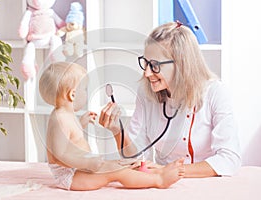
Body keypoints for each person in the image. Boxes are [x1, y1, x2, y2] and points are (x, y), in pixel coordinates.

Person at [99, 21, 241, 178]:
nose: (147, 73)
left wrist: (168, 170)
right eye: (145, 63)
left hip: (207, 183)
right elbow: (136, 159)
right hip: (165, 183)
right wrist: (118, 131)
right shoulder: (146, 93)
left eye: (154, 65)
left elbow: (229, 159)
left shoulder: (215, 93)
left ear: (182, 64)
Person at [38, 61, 185, 191]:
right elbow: (59, 155)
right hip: (71, 176)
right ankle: (158, 180)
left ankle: (157, 172)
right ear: (72, 95)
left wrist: (81, 124)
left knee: (123, 163)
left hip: (79, 168)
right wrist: (88, 162)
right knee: (118, 171)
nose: (86, 94)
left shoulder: (65, 115)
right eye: (84, 90)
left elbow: (71, 139)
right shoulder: (60, 119)